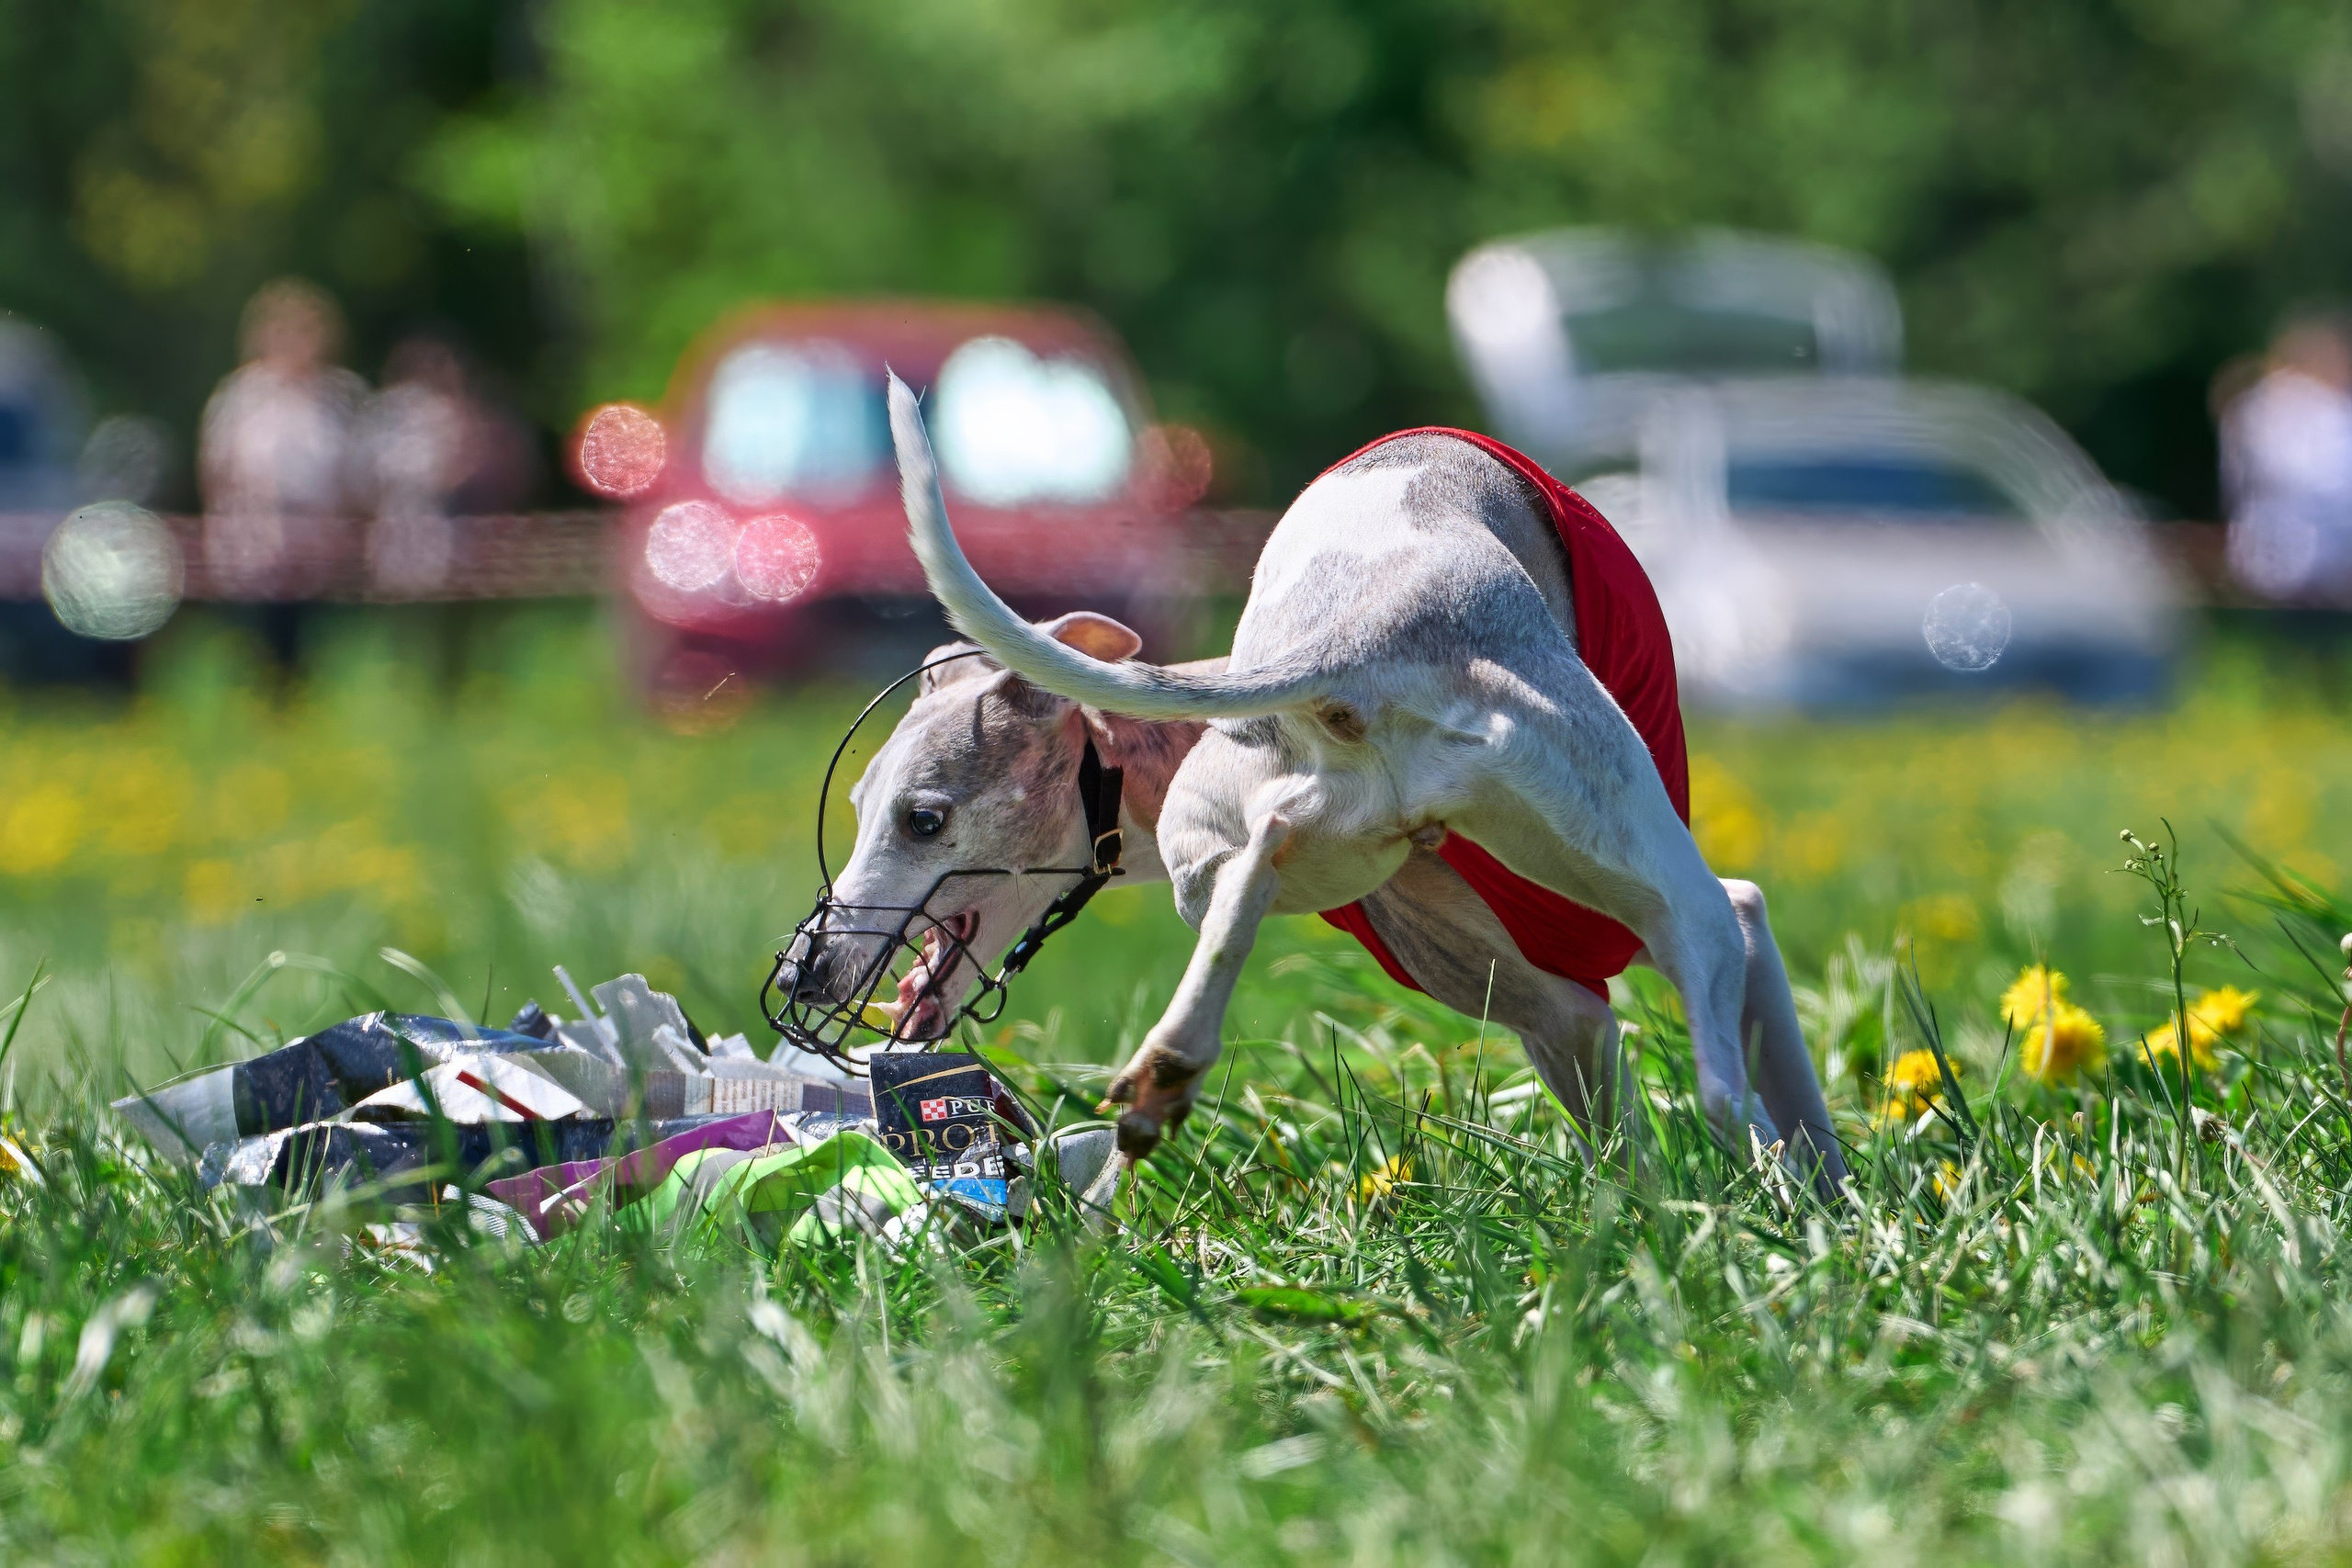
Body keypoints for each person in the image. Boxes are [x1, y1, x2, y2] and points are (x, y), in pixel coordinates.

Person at [197, 279, 366, 600]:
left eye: (305, 330)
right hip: (254, 548)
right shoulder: (241, 396)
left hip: (324, 552)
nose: (295, 341)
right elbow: (215, 471)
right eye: (283, 330)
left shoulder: (341, 396)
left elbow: (359, 477)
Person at [2220, 312, 2352, 604]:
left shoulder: (2333, 409)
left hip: (2316, 559)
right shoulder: (2277, 409)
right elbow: (2310, 481)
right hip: (2288, 558)